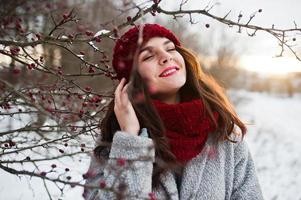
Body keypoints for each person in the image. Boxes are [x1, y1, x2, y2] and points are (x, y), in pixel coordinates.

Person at [83, 23, 264, 200]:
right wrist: (131, 140)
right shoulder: (115, 142)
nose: (166, 57)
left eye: (170, 49)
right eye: (148, 57)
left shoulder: (224, 135)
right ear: (132, 81)